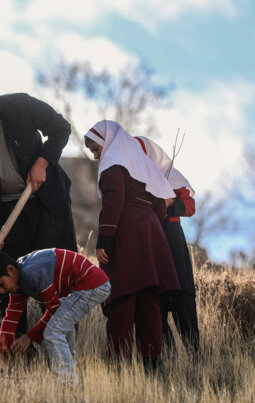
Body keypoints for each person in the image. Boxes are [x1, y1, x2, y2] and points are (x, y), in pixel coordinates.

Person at [0, 74, 77, 336]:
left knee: (57, 278)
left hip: (48, 203)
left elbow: (60, 128)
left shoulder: (21, 105)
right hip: (9, 212)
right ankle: (11, 346)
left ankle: (60, 344)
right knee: (8, 282)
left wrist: (42, 163)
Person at [84, 120, 180, 371]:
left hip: (126, 231)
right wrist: (147, 223)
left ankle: (119, 366)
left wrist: (105, 239)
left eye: (96, 149)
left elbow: (113, 203)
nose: (96, 156)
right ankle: (153, 365)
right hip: (151, 233)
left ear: (108, 142)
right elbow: (160, 204)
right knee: (149, 299)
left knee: (121, 298)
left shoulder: (113, 164)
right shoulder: (142, 164)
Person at [0, 248, 110, 382]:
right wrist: (1, 355)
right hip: (83, 288)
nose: (2, 291)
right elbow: (11, 318)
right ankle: (72, 378)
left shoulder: (33, 273)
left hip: (92, 286)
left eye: (0, 284)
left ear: (11, 270)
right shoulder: (18, 279)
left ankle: (67, 384)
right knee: (61, 329)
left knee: (53, 332)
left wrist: (29, 337)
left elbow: (53, 309)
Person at [135, 136, 200, 351]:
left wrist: (169, 201)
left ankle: (194, 354)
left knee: (182, 294)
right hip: (146, 242)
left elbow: (190, 206)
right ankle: (168, 356)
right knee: (154, 297)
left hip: (171, 238)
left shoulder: (168, 174)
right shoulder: (129, 178)